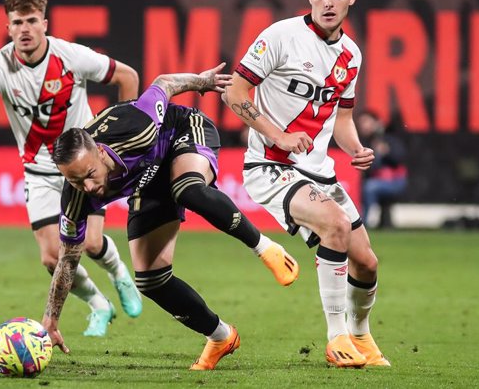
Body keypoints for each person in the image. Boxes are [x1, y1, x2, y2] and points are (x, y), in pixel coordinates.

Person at [43, 63, 300, 371]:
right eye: (74, 181)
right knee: (150, 280)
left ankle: (264, 247)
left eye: (89, 175)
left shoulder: (135, 127)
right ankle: (221, 336)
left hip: (183, 131)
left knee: (188, 188)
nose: (88, 187)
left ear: (100, 152)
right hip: (150, 177)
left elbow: (164, 83)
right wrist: (51, 318)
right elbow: (68, 259)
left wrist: (201, 80)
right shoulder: (76, 198)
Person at [222, 0, 390, 368]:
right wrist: (278, 135)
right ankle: (336, 340)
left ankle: (361, 337)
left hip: (319, 170)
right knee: (333, 225)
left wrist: (355, 149)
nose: (328, 2)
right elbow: (235, 94)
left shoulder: (351, 54)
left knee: (367, 263)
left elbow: (343, 118)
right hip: (271, 167)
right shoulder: (280, 36)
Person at [0, 0, 142, 337]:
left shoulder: (69, 56)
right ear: (8, 28)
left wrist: (118, 134)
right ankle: (99, 304)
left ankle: (119, 275)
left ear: (44, 23)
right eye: (17, 23)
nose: (24, 29)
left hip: (82, 168)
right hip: (39, 172)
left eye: (30, 21)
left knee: (89, 243)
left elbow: (127, 77)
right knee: (51, 258)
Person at [356, 110, 407, 228]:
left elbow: (399, 158)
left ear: (376, 123)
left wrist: (386, 152)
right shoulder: (362, 142)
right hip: (375, 180)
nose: (363, 126)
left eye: (366, 122)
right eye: (361, 123)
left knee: (370, 187)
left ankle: (362, 222)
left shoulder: (388, 139)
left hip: (395, 181)